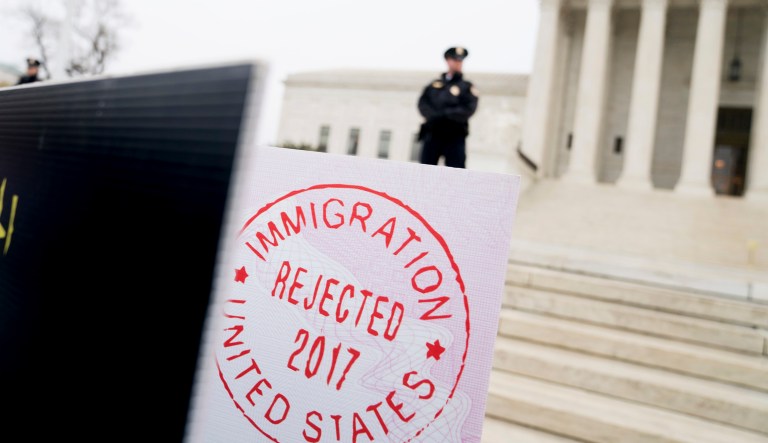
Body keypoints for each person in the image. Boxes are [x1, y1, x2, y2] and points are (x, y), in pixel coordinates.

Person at [417, 46, 479, 168]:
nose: (457, 63)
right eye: (455, 60)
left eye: (460, 61)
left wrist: (444, 115)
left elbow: (468, 108)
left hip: (454, 135)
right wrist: (434, 116)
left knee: (456, 171)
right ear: (447, 60)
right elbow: (422, 103)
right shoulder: (433, 86)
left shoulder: (466, 87)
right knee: (425, 170)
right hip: (433, 132)